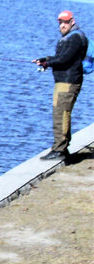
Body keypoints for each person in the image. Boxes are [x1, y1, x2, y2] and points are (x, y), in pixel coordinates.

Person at [34, 10, 88, 161]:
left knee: (61, 115)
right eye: (60, 23)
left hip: (68, 82)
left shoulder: (75, 38)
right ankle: (61, 148)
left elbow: (65, 59)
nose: (62, 25)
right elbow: (62, 58)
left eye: (65, 22)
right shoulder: (70, 37)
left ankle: (59, 149)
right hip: (63, 81)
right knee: (60, 113)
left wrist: (48, 63)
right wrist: (45, 60)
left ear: (72, 21)